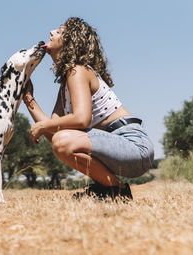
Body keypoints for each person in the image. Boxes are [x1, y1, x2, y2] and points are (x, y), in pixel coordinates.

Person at [23, 17, 154, 201]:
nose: (51, 32)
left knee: (62, 140)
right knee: (60, 140)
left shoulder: (77, 70)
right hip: (120, 150)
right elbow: (53, 134)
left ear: (70, 43)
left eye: (59, 31)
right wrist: (28, 98)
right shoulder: (65, 85)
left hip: (134, 146)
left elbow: (82, 119)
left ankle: (117, 190)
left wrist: (43, 127)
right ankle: (110, 190)